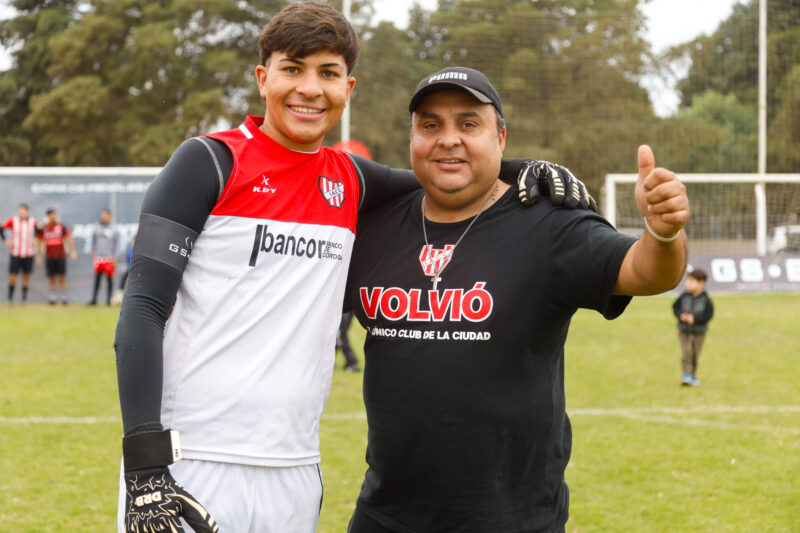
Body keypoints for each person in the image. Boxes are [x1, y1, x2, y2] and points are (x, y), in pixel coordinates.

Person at [113, 4, 590, 532]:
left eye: (328, 73)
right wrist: (146, 463)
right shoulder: (207, 162)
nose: (310, 88)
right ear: (263, 78)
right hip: (190, 459)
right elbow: (144, 307)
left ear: (348, 87)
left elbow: (446, 173)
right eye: (293, 69)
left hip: (295, 468)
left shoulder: (353, 181)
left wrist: (528, 168)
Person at [343, 66, 690, 532]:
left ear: (501, 137)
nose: (448, 139)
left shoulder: (548, 224)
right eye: (430, 125)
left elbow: (645, 272)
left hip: (512, 520)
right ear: (412, 138)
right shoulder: (374, 226)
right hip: (385, 517)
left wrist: (662, 232)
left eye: (469, 124)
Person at [672, 268, 714, 386]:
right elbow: (675, 307)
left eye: (691, 281)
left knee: (695, 354)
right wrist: (681, 315)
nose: (687, 284)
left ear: (701, 283)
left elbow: (708, 315)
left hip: (699, 331)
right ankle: (686, 374)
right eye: (687, 281)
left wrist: (694, 319)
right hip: (683, 330)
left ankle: (692, 374)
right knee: (686, 352)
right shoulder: (683, 296)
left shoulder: (706, 299)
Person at [37, 208, 78, 305]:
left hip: (60, 255)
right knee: (51, 277)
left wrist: (73, 252)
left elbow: (69, 239)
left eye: (55, 215)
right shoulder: (44, 228)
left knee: (61, 276)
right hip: (49, 256)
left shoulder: (61, 227)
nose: (53, 217)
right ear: (47, 216)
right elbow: (39, 242)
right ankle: (53, 298)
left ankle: (64, 297)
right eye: (51, 215)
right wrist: (38, 256)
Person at [1, 203, 38, 305]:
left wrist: (35, 239)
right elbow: (1, 228)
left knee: (26, 277)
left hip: (28, 253)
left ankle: (23, 299)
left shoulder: (32, 221)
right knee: (13, 277)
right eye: (20, 210)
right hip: (16, 253)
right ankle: (10, 299)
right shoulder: (13, 220)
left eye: (23, 210)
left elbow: (38, 231)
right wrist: (6, 240)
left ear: (27, 212)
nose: (21, 212)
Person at [88, 208, 120, 306]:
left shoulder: (114, 229)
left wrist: (115, 258)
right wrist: (92, 251)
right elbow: (93, 241)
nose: (103, 216)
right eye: (102, 214)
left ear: (110, 216)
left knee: (109, 280)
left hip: (109, 258)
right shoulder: (97, 228)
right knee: (97, 279)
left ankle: (108, 300)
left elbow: (117, 245)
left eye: (105, 214)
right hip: (99, 258)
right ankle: (94, 299)